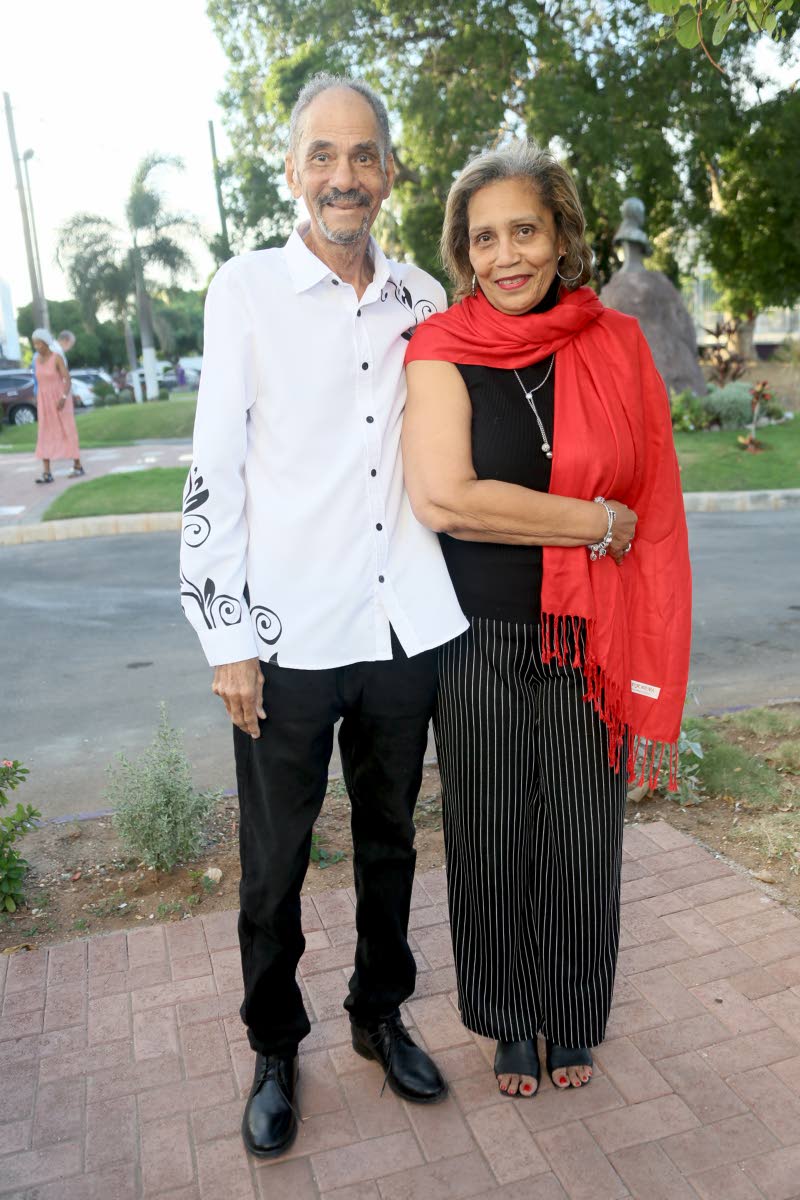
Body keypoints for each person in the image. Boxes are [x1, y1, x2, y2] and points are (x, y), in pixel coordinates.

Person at [179, 73, 467, 1158]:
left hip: (401, 628)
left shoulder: (424, 303)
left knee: (392, 841)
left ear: (389, 171)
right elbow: (214, 473)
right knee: (275, 861)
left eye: (363, 156)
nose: (343, 175)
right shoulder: (243, 289)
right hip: (285, 637)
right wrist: (227, 639)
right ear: (293, 170)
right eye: (322, 156)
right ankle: (270, 1043)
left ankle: (375, 1013)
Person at [402, 142, 691, 1100]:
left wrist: (620, 528)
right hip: (477, 637)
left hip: (590, 638)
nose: (505, 255)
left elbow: (653, 499)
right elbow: (447, 499)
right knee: (489, 832)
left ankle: (569, 1015)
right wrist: (595, 522)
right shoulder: (442, 348)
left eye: (523, 230)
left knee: (580, 830)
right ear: (463, 252)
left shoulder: (614, 345)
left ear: (561, 235)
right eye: (483, 238)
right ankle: (504, 1018)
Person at [30, 329, 84, 483]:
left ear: (46, 343)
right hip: (44, 401)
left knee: (68, 430)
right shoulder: (36, 361)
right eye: (35, 344)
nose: (37, 346)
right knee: (44, 434)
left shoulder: (57, 358)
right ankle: (47, 473)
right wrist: (36, 397)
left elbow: (68, 380)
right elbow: (37, 381)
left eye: (39, 343)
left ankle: (78, 466)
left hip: (60, 400)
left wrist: (64, 397)